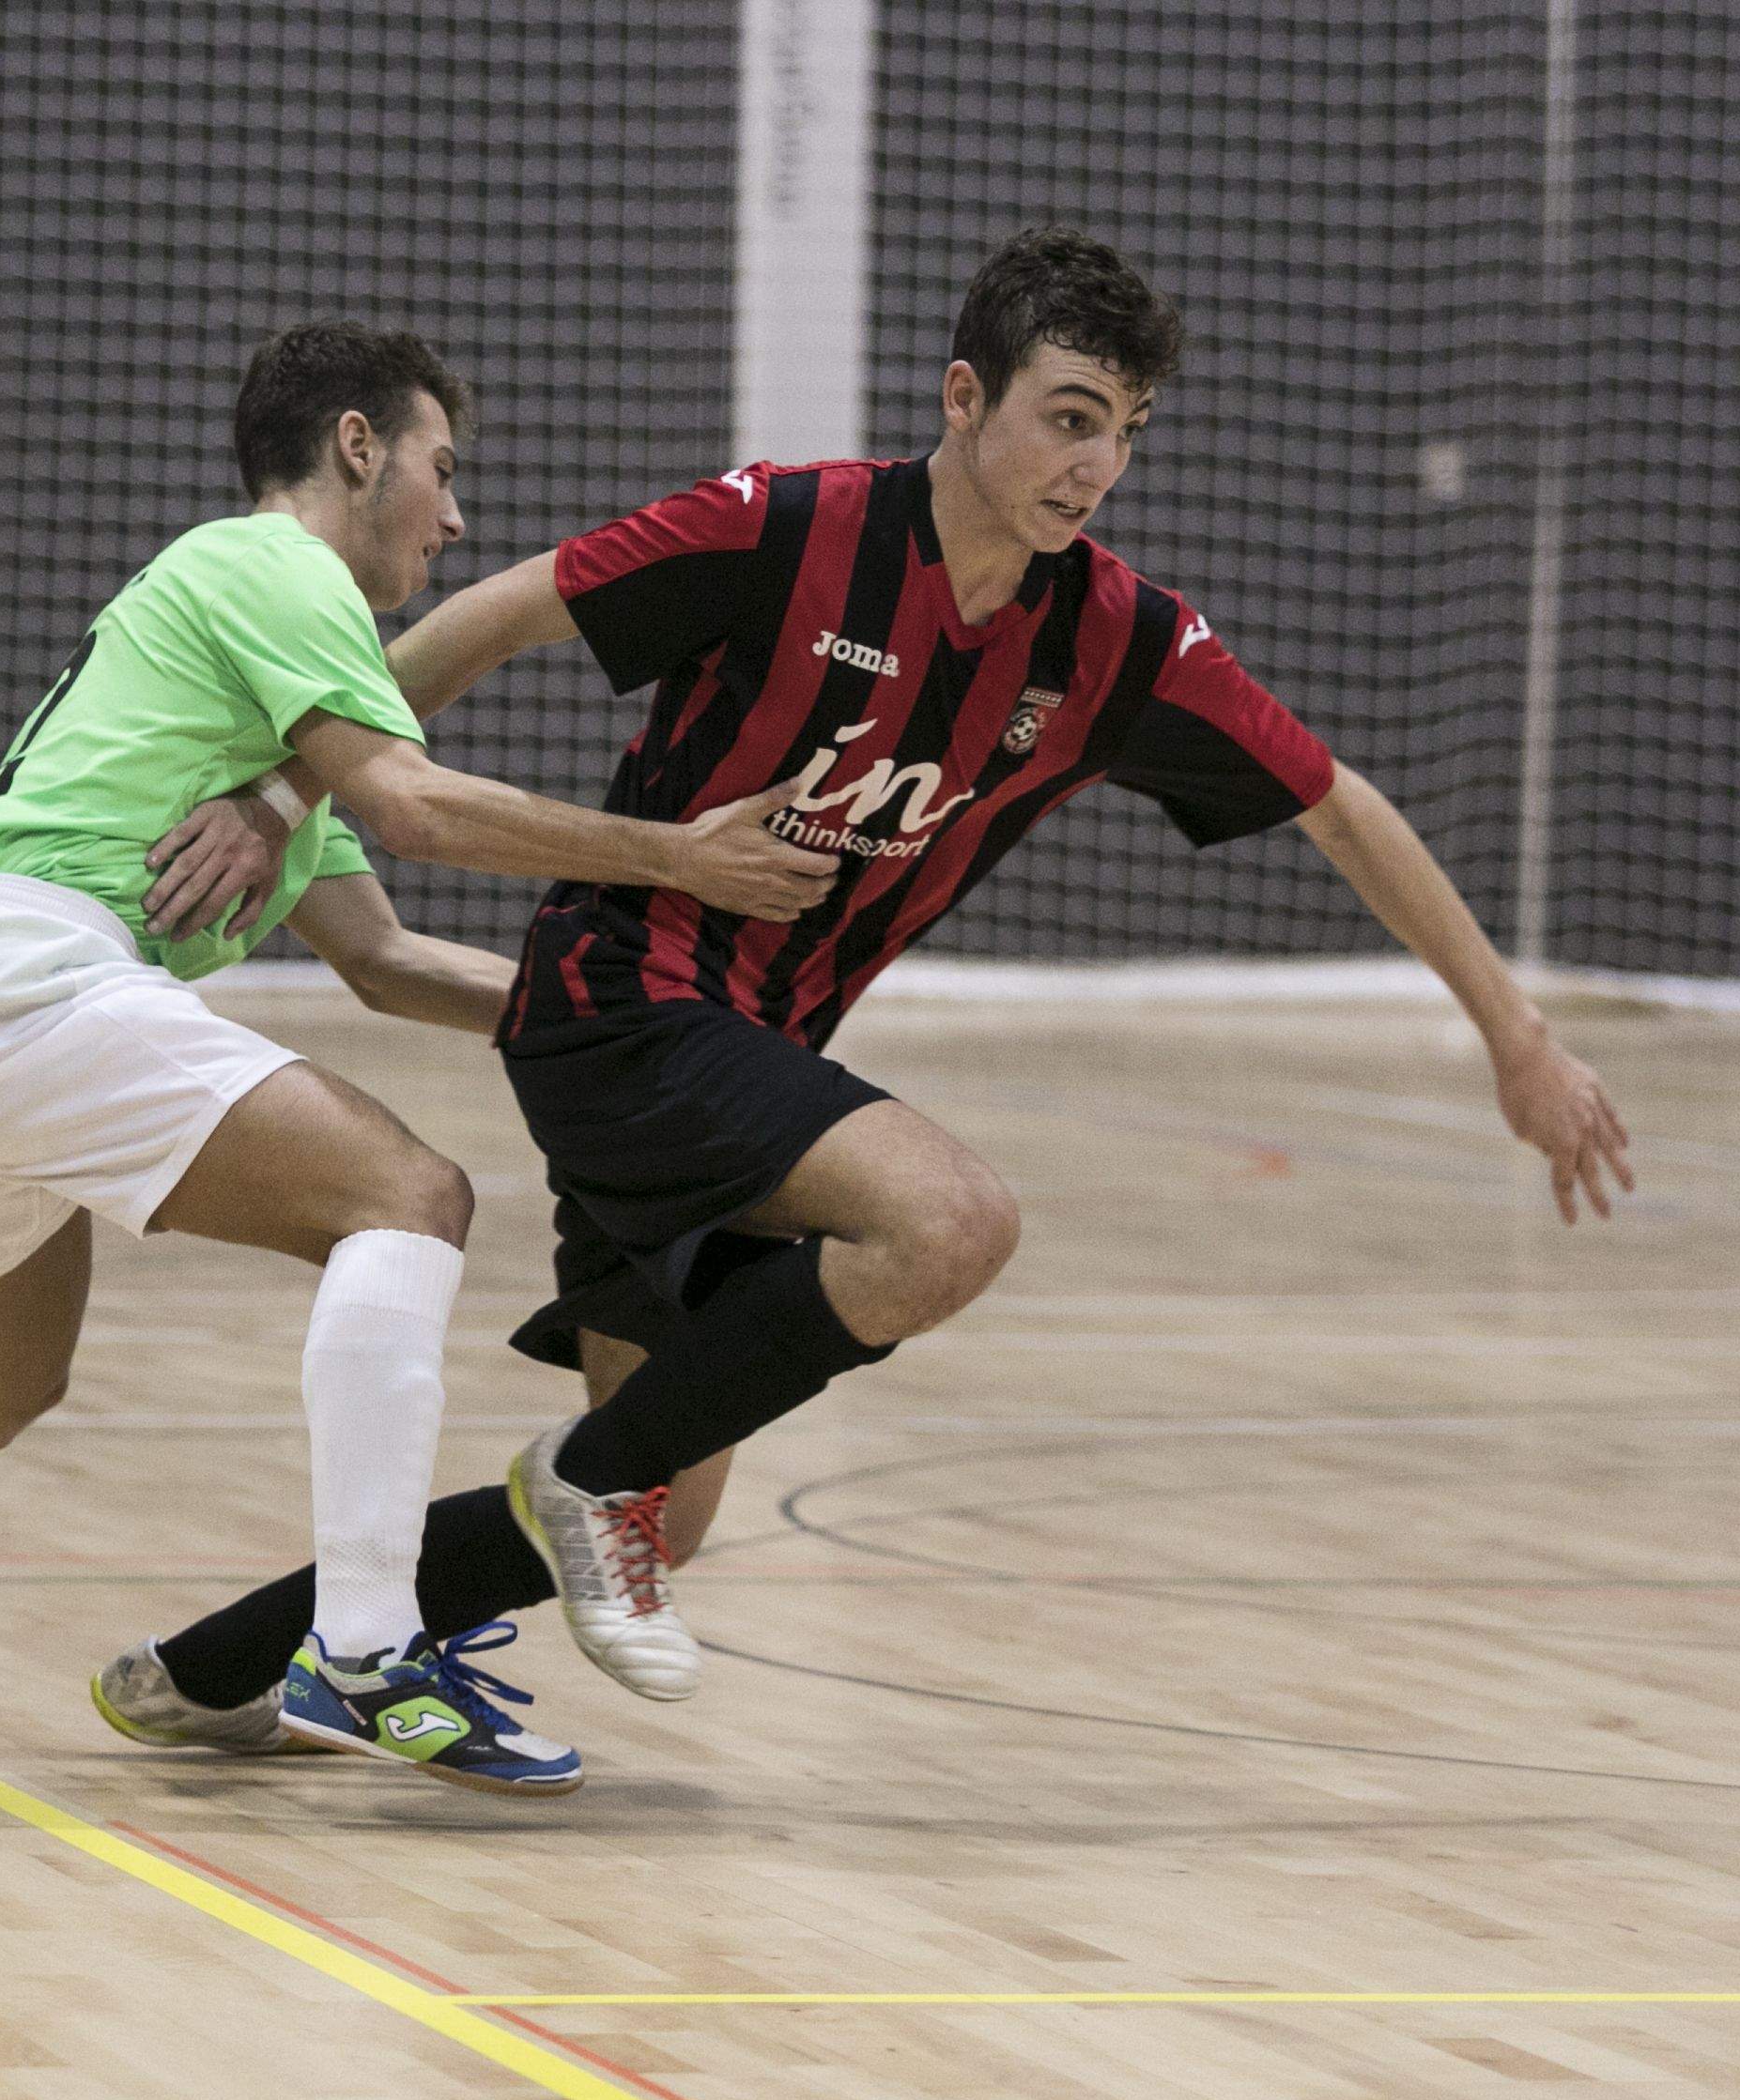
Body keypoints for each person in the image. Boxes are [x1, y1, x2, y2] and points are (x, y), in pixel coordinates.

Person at [104, 229, 1635, 1755]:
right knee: (948, 1218)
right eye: (1067, 412)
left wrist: (1518, 1038)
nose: (1094, 463)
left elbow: (1337, 803)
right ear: (964, 397)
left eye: (1125, 428)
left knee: (671, 1500)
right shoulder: (788, 525)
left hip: (735, 1054)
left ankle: (215, 1665)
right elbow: (481, 620)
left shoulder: (1115, 638)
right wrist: (279, 796)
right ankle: (592, 1490)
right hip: (621, 994)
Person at [0, 322, 835, 1797]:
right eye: (440, 469)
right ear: (355, 446)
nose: (455, 519)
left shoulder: (272, 696)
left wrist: (646, 1016)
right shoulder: (274, 566)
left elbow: (386, 959)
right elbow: (411, 801)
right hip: (24, 974)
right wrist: (677, 860)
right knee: (408, 1195)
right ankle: (364, 1648)